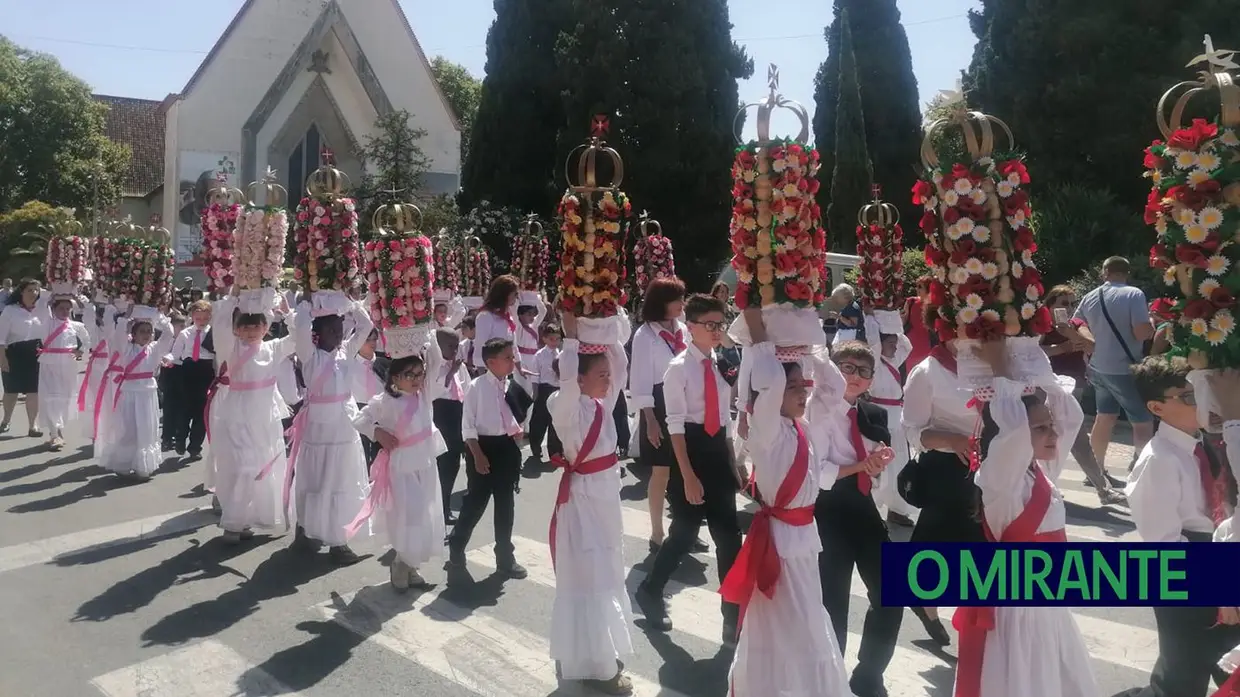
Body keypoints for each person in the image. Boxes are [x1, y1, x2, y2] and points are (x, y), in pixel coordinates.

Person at [953, 339, 1098, 697]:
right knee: (1022, 682)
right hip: (1016, 606)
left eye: (1049, 426)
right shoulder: (999, 478)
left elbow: (1071, 416)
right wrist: (1001, 368)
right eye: (1041, 428)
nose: (1053, 434)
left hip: (1049, 597)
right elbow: (1014, 431)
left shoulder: (1040, 469)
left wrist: (1033, 369)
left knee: (1055, 679)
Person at [722, 311, 854, 697]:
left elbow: (834, 387)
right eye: (793, 386)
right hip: (779, 543)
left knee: (799, 623)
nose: (802, 391)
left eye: (802, 386)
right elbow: (769, 380)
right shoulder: (765, 430)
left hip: (802, 540)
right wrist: (761, 331)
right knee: (795, 627)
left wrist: (812, 351)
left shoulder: (804, 425)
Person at [1115, 356, 1240, 697]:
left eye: (1201, 391)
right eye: (1188, 396)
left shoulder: (1203, 444)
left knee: (1222, 665)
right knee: (1180, 684)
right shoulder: (1159, 460)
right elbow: (1165, 543)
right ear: (1156, 407)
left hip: (1216, 561)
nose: (1201, 403)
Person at [634, 294, 743, 644]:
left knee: (729, 539)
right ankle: (650, 590)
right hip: (689, 452)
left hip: (717, 452)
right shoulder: (678, 368)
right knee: (684, 532)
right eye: (709, 325)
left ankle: (732, 614)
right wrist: (688, 476)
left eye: (720, 324)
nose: (716, 331)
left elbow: (725, 417)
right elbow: (676, 427)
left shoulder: (722, 363)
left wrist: (733, 462)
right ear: (691, 326)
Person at [547, 310, 633, 694]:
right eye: (600, 375)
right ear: (579, 378)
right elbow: (567, 376)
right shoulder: (563, 405)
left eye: (607, 375)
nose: (608, 380)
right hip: (581, 505)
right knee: (590, 581)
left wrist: (607, 322)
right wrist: (570, 336)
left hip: (604, 501)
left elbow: (620, 365)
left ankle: (593, 658)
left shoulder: (601, 403)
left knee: (607, 576)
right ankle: (597, 666)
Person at [815, 340, 902, 697]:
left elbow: (877, 475)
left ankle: (869, 674)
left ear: (870, 380)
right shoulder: (815, 410)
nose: (854, 376)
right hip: (827, 510)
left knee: (892, 592)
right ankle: (830, 680)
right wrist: (858, 466)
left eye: (862, 371)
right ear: (832, 370)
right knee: (832, 603)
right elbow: (817, 471)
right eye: (846, 367)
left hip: (864, 509)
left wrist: (878, 464)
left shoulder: (874, 415)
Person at [899, 338, 982, 646]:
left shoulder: (989, 360)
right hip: (946, 470)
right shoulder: (926, 372)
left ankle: (972, 622)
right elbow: (912, 431)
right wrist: (954, 440)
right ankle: (928, 604)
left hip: (988, 466)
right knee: (941, 548)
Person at [285, 297, 374, 564]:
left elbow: (366, 325)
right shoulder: (310, 355)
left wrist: (349, 304)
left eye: (339, 329)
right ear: (318, 333)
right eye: (331, 330)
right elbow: (301, 327)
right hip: (318, 428)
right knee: (315, 478)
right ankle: (306, 529)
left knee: (342, 481)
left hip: (345, 427)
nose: (337, 334)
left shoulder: (346, 351)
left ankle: (339, 541)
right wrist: (309, 304)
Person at [350, 351, 445, 591]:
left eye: (419, 374)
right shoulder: (385, 401)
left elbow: (437, 360)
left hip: (425, 464)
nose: (416, 379)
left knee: (424, 514)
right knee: (408, 515)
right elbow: (359, 419)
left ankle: (411, 565)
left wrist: (425, 339)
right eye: (409, 374)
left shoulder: (424, 396)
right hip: (402, 466)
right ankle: (401, 562)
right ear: (394, 377)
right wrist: (378, 433)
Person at [205, 296, 295, 543]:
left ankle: (253, 517)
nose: (251, 331)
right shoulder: (230, 348)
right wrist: (233, 297)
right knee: (242, 468)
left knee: (265, 468)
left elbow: (298, 339)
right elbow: (220, 325)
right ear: (237, 329)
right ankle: (233, 522)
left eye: (257, 325)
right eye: (245, 326)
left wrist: (288, 315)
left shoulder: (273, 348)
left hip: (266, 417)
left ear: (266, 327)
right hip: (238, 416)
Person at [446, 337, 528, 580]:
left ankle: (505, 556)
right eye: (507, 358)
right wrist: (478, 455)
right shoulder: (476, 386)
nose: (512, 362)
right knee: (475, 502)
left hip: (506, 447)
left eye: (512, 357)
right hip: (481, 447)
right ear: (491, 361)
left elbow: (517, 413)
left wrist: (516, 437)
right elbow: (468, 426)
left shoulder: (510, 384)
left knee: (505, 505)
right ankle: (457, 546)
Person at [1041, 284, 1127, 504]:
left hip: (1073, 387)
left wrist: (1068, 331)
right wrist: (1061, 348)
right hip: (1044, 385)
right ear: (1050, 305)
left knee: (1076, 435)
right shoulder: (1039, 325)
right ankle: (1099, 489)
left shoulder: (1076, 324)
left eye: (1071, 304)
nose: (1068, 308)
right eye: (1062, 303)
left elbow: (1090, 346)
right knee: (1050, 435)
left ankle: (1100, 489)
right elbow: (1032, 351)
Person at [1073, 256, 1156, 474]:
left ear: (1105, 272)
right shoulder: (1134, 294)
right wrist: (1152, 325)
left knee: (1105, 416)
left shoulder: (1090, 296)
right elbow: (1141, 332)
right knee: (1142, 421)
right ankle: (1142, 472)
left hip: (1098, 367)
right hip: (1124, 368)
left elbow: (1076, 322)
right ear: (1127, 272)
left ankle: (1096, 469)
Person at [630, 278, 695, 551]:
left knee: (687, 470)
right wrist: (651, 421)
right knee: (662, 472)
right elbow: (641, 381)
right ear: (660, 303)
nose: (682, 304)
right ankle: (657, 532)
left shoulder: (685, 330)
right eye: (676, 299)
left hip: (687, 400)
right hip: (658, 404)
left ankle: (686, 527)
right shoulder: (645, 335)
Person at [97, 312, 176, 480]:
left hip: (147, 393)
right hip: (129, 392)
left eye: (149, 331)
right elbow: (119, 334)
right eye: (142, 331)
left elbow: (169, 334)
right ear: (133, 334)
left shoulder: (155, 349)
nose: (146, 335)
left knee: (147, 429)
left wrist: (159, 316)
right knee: (129, 429)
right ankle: (123, 464)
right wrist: (128, 317)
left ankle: (143, 467)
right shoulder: (126, 348)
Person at [862, 312, 919, 526]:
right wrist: (871, 317)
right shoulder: (874, 360)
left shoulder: (895, 359)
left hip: (898, 418)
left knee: (900, 464)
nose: (895, 347)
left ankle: (897, 510)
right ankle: (873, 511)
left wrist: (893, 320)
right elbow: (873, 340)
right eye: (890, 343)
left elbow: (907, 345)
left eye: (895, 343)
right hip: (879, 415)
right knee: (880, 466)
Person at [427, 328, 468, 526]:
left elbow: (467, 390)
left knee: (452, 466)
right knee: (440, 468)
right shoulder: (434, 366)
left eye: (457, 346)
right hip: (441, 417)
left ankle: (444, 506)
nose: (454, 350)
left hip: (457, 417)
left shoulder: (460, 366)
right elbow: (433, 393)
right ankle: (436, 510)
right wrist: (450, 374)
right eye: (450, 346)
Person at [36, 295, 88, 450]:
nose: (65, 311)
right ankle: (54, 434)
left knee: (64, 399)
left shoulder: (76, 325)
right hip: (49, 363)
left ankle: (58, 431)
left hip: (68, 365)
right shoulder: (47, 323)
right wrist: (56, 293)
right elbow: (41, 306)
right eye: (61, 308)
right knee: (50, 398)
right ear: (53, 309)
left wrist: (80, 351)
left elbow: (86, 339)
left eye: (68, 308)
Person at [0, 279, 46, 435]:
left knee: (34, 391)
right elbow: (1, 338)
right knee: (11, 391)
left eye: (36, 290)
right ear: (21, 292)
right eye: (30, 290)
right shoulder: (10, 310)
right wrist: (2, 358)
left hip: (36, 354)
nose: (34, 293)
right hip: (14, 353)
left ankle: (33, 425)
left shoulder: (42, 310)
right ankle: (6, 420)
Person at [171, 300, 215, 458]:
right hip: (189, 369)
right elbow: (175, 353)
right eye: (198, 318)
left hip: (207, 370)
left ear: (210, 317)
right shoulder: (185, 333)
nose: (201, 322)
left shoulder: (213, 333)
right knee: (185, 408)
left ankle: (195, 447)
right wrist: (168, 359)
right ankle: (180, 439)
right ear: (192, 317)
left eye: (205, 318)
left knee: (202, 412)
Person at [528, 323, 563, 466]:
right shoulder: (539, 355)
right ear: (545, 339)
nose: (555, 342)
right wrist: (535, 392)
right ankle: (535, 446)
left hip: (557, 389)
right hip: (544, 389)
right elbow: (535, 375)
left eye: (557, 339)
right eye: (552, 339)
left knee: (555, 422)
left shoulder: (561, 354)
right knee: (539, 420)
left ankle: (555, 452)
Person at [351, 329, 385, 466]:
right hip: (359, 409)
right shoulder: (349, 364)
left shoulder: (383, 364)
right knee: (361, 453)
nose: (372, 343)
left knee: (380, 453)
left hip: (380, 410)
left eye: (374, 339)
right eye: (367, 340)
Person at [901, 277, 933, 373]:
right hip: (912, 341)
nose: (917, 289)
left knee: (926, 370)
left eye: (920, 287)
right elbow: (904, 320)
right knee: (911, 371)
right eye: (917, 286)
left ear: (928, 288)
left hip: (928, 342)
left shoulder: (933, 304)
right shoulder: (911, 302)